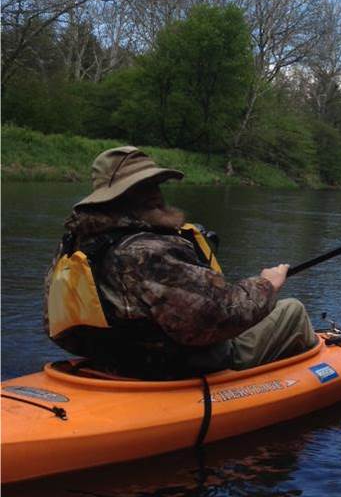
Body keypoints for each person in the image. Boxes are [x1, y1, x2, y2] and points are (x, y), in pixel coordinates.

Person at [44, 146, 317, 378]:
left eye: (154, 185)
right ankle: (306, 377)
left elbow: (52, 322)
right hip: (174, 366)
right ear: (115, 196)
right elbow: (216, 318)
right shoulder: (149, 251)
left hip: (111, 361)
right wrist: (267, 284)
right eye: (140, 187)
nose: (155, 194)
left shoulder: (76, 243)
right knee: (291, 310)